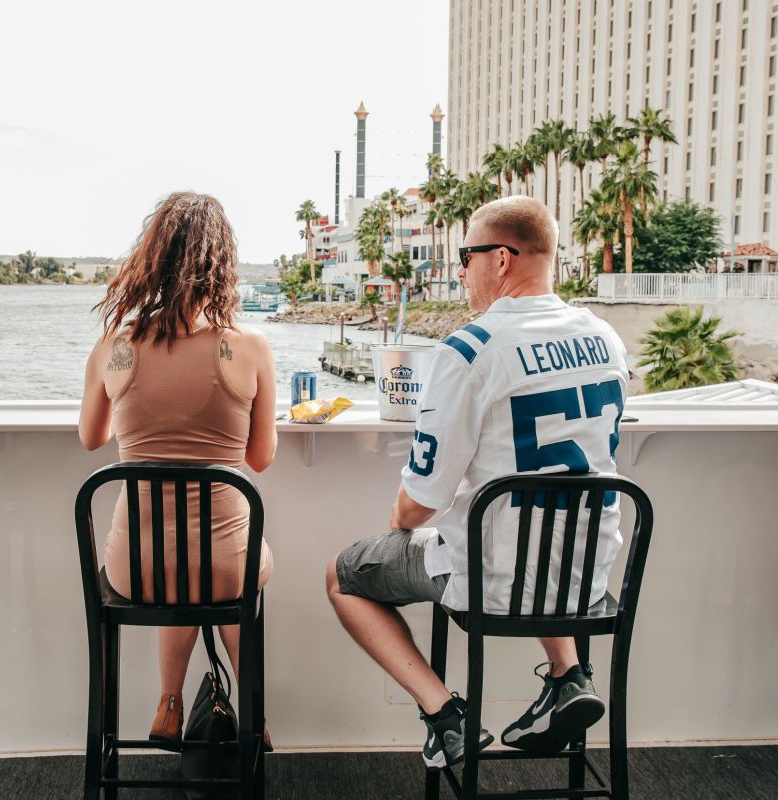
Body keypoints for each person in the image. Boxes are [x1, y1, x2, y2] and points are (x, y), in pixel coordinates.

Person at [326, 196, 628, 768]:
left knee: (343, 576)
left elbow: (417, 507)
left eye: (466, 256)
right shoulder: (605, 338)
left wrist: (399, 521)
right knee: (530, 538)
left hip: (495, 585)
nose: (461, 270)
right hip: (586, 577)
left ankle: (445, 717)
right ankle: (569, 675)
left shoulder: (471, 350)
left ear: (503, 260)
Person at [79, 191, 277, 743]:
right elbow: (259, 458)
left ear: (151, 260)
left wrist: (141, 413)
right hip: (225, 564)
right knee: (223, 572)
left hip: (134, 568)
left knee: (173, 561)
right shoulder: (250, 346)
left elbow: (93, 437)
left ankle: (168, 701)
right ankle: (254, 713)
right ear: (223, 264)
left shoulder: (114, 346)